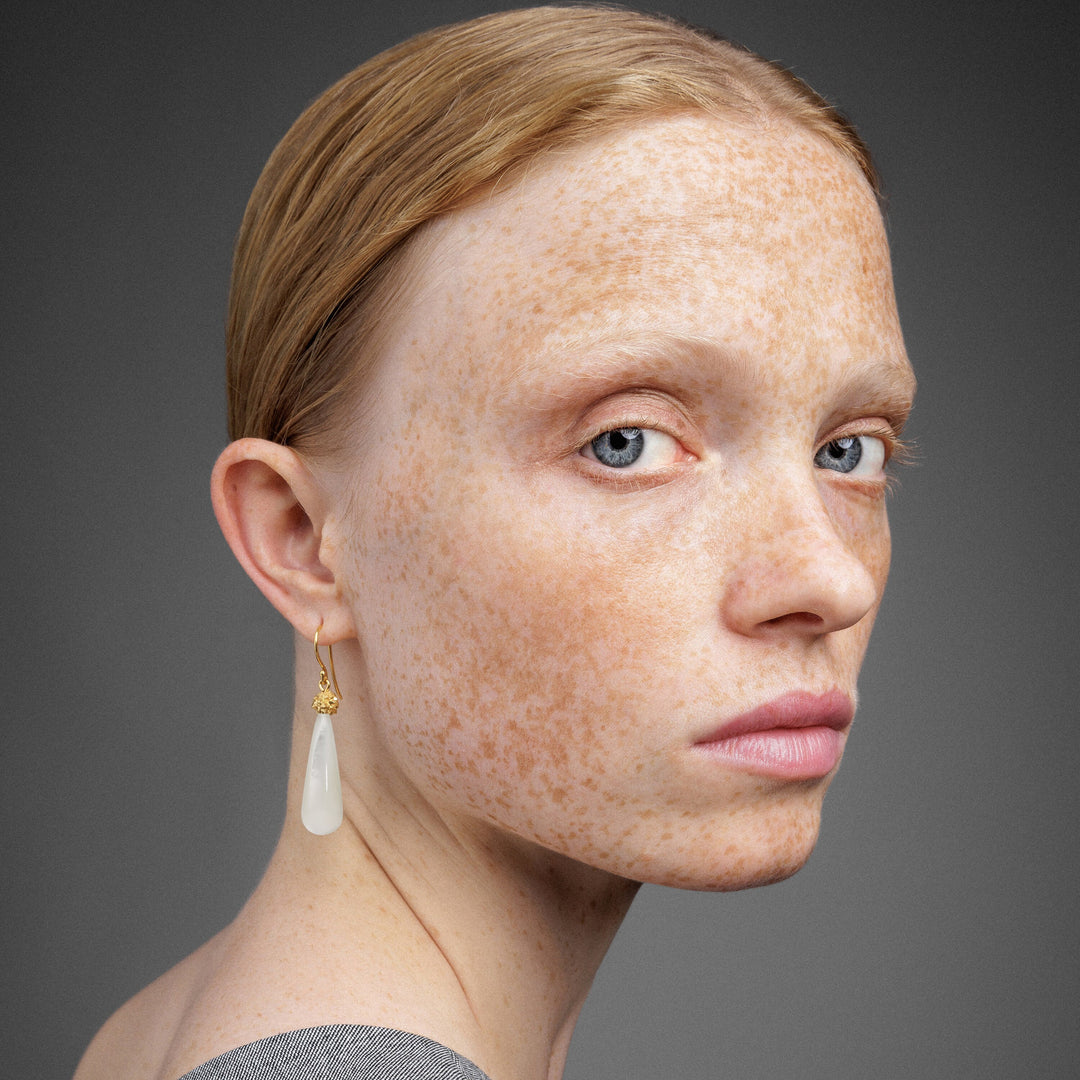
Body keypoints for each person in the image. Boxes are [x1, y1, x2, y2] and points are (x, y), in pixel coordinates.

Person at [74, 5, 915, 1079]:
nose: (828, 580)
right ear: (302, 541)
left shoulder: (174, 1023)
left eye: (849, 451)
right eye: (625, 441)